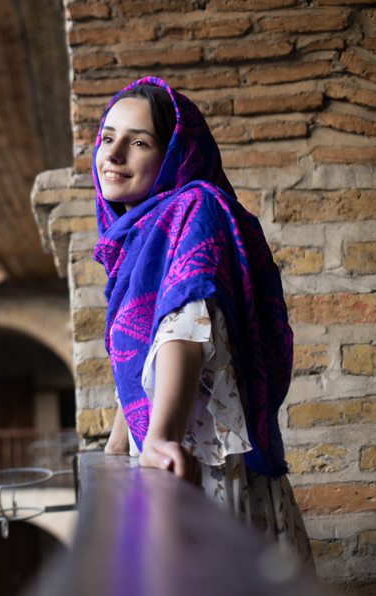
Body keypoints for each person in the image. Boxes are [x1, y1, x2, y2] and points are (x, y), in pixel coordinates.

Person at [95, 77, 312, 561]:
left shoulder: (194, 207)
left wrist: (160, 438)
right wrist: (118, 444)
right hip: (168, 461)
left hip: (199, 469)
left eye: (139, 142)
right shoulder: (139, 238)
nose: (113, 154)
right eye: (108, 138)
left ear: (176, 153)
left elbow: (184, 325)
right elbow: (140, 350)